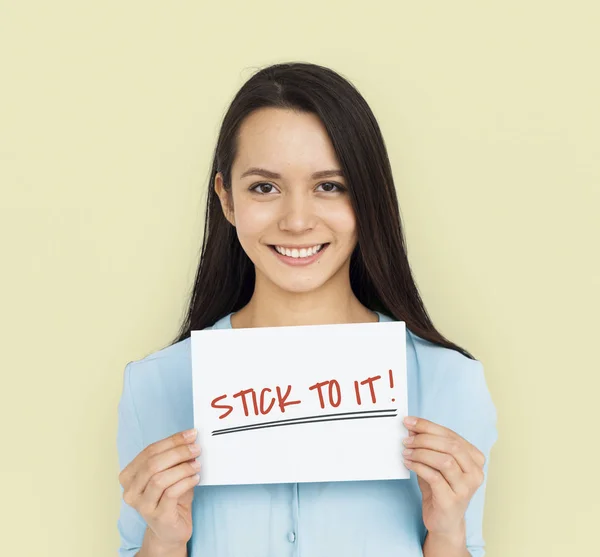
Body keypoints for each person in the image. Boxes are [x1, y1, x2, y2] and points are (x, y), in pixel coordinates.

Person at [116, 61, 498, 557]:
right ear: (226, 200)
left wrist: (447, 534)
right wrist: (162, 540)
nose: (297, 220)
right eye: (264, 187)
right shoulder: (155, 386)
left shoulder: (451, 382)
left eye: (329, 186)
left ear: (367, 199)